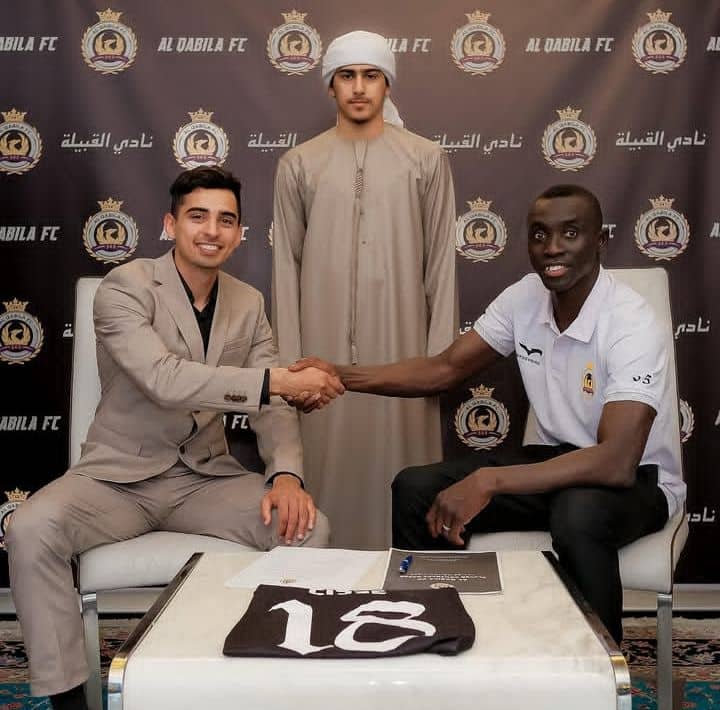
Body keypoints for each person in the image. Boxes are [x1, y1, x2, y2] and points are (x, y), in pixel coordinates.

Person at [6, 166, 343, 710]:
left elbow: (273, 407)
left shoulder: (248, 303)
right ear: (170, 225)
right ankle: (68, 700)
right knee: (30, 528)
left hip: (203, 480)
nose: (212, 230)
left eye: (226, 220)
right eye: (198, 216)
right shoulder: (124, 287)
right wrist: (275, 380)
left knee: (307, 528)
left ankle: (270, 686)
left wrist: (286, 475)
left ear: (239, 233)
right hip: (117, 480)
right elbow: (165, 379)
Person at [291, 184, 686, 643]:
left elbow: (616, 461)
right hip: (555, 464)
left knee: (578, 513)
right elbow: (444, 369)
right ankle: (431, 638)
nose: (552, 248)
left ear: (600, 240)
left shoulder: (631, 321)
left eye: (570, 233)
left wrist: (490, 481)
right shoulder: (525, 297)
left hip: (638, 481)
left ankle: (600, 666)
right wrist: (339, 374)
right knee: (416, 489)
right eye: (539, 235)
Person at [271, 30, 458, 549]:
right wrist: (290, 369)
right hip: (319, 352)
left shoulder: (426, 159)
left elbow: (442, 267)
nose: (358, 87)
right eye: (347, 76)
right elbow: (285, 270)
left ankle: (406, 575)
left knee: (406, 473)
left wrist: (438, 363)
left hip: (405, 347)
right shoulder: (298, 164)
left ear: (387, 84)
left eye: (371, 75)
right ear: (330, 86)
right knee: (325, 475)